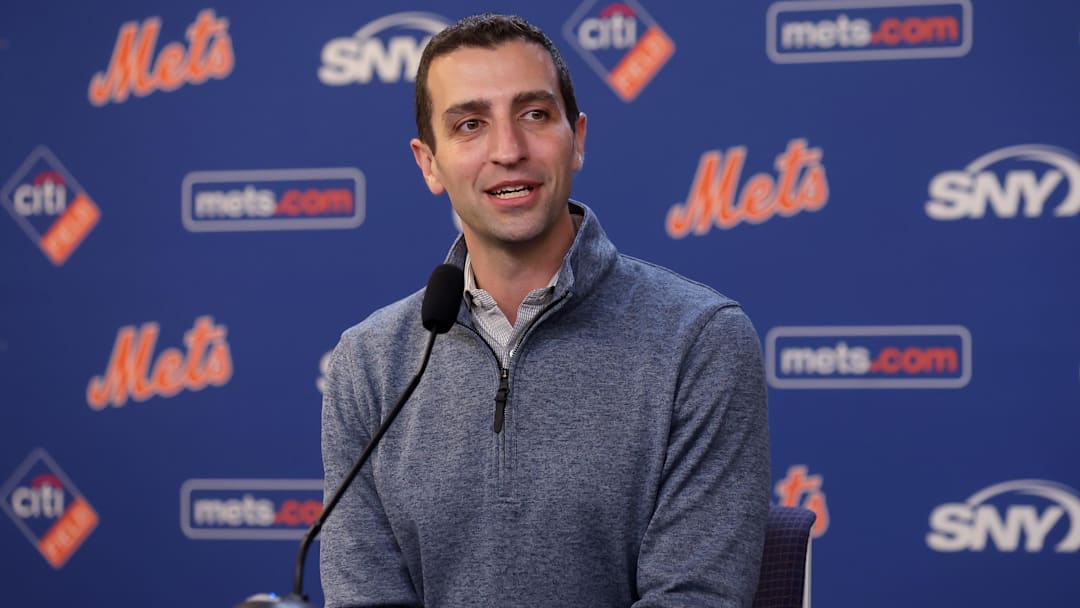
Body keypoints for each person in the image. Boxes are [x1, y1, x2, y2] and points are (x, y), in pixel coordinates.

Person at [320, 13, 769, 608]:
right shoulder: (368, 361)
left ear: (577, 138)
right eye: (470, 124)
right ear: (428, 162)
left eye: (534, 114)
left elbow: (695, 598)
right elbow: (364, 597)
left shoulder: (701, 341)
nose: (508, 150)